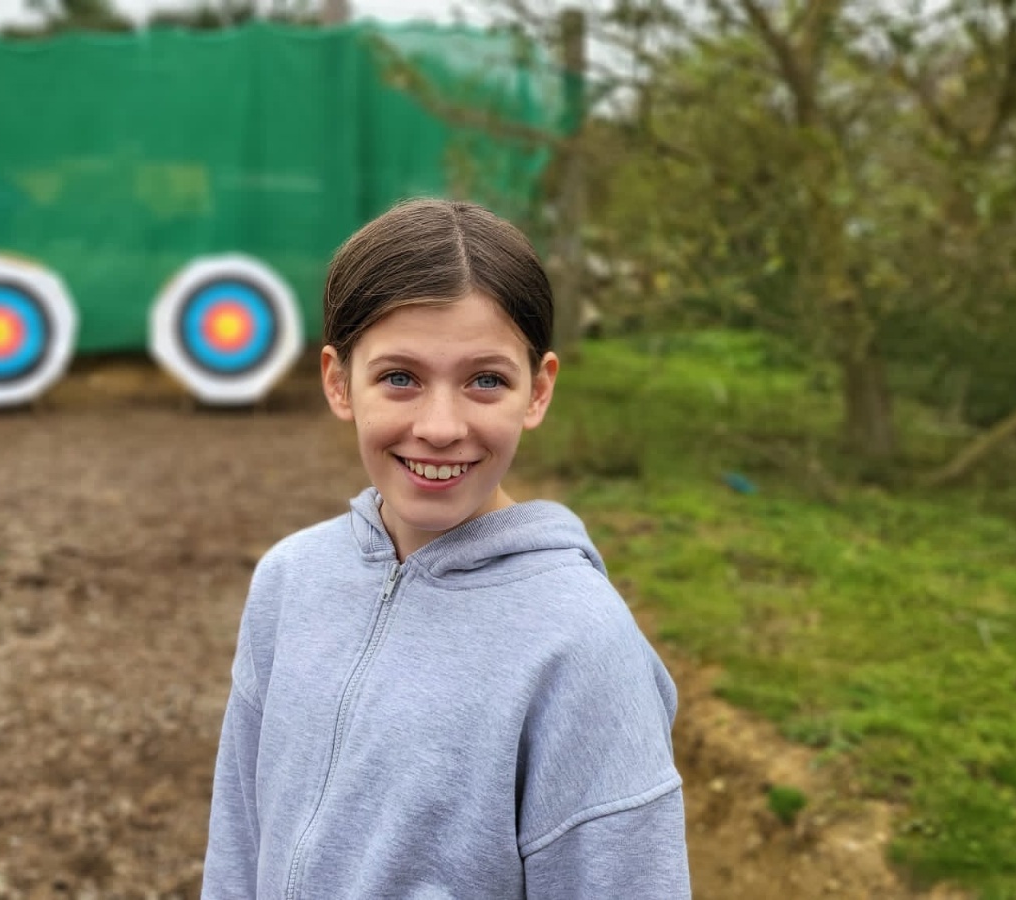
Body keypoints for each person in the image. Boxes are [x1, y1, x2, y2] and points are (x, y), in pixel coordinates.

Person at [201, 198, 690, 898]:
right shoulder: (289, 581)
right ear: (338, 382)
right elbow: (238, 843)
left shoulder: (583, 644)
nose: (439, 427)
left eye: (485, 380)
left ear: (537, 391)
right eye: (399, 377)